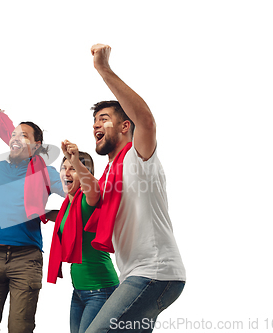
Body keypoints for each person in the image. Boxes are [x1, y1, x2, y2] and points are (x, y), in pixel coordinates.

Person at [85, 44, 186, 333]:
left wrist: (104, 70)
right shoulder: (107, 175)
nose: (96, 125)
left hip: (155, 272)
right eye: (94, 121)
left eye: (104, 119)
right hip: (134, 273)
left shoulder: (138, 156)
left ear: (125, 126)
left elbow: (147, 120)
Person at [0, 111, 65, 333]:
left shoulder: (46, 173)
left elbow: (75, 195)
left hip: (26, 260)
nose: (16, 137)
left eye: (24, 135)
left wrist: (56, 214)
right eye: (14, 134)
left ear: (36, 146)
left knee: (20, 328)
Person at [47, 142, 120, 333]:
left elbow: (93, 189)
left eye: (73, 169)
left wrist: (76, 159)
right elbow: (65, 221)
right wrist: (40, 213)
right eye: (64, 168)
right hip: (79, 292)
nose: (66, 173)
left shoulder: (89, 201)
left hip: (100, 290)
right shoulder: (68, 206)